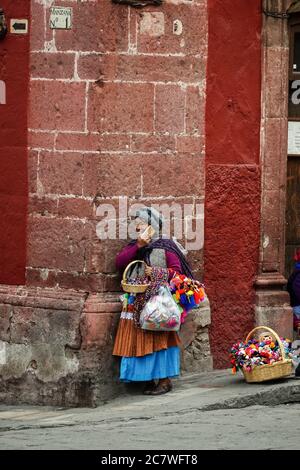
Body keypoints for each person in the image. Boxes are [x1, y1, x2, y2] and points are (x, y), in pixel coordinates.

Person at [112, 206, 194, 395]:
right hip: (138, 301)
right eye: (136, 224)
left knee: (159, 340)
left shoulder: (166, 246)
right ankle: (147, 379)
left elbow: (177, 272)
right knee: (141, 339)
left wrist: (156, 273)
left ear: (152, 226)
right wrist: (138, 246)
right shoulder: (135, 246)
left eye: (141, 224)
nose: (137, 227)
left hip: (159, 304)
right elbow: (120, 263)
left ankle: (164, 381)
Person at [287, 249, 300, 377]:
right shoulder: (298, 273)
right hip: (298, 309)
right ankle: (297, 368)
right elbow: (297, 291)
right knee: (298, 340)